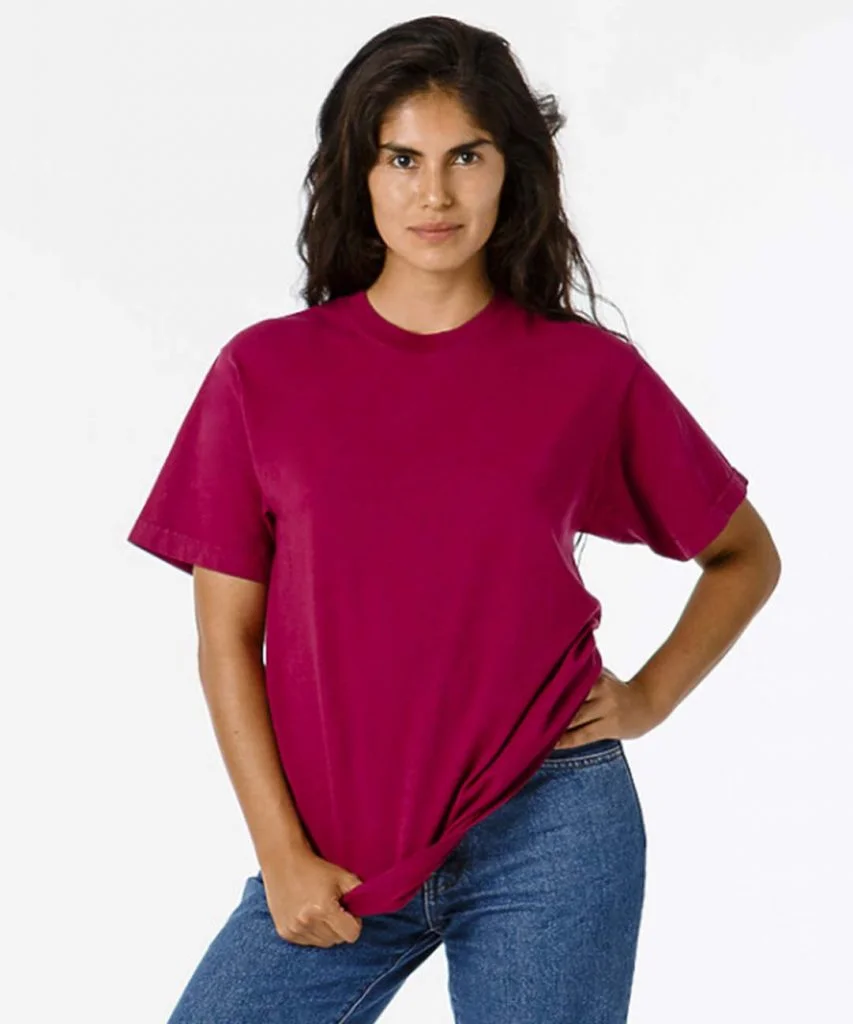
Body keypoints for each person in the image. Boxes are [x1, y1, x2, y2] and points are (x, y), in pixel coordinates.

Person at [127, 14, 781, 1024]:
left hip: (551, 826)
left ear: (510, 170)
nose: (433, 195)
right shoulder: (264, 373)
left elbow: (743, 554)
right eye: (402, 159)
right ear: (359, 173)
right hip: (336, 844)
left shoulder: (585, 373)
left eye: (465, 156)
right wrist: (280, 852)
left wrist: (650, 696)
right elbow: (225, 641)